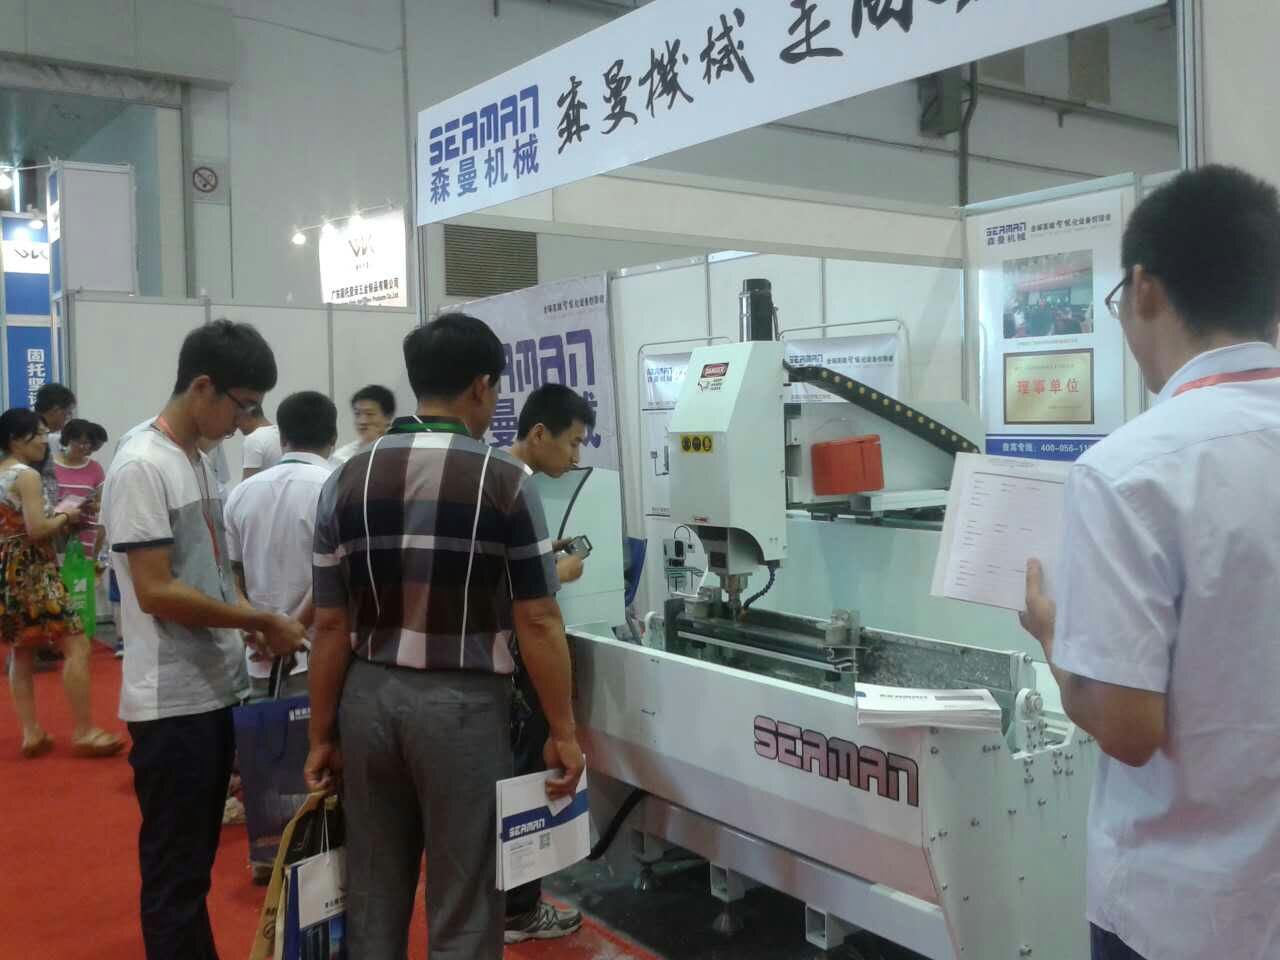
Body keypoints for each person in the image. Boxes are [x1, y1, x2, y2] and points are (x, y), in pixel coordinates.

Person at [1020, 165, 1280, 960]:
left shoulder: (1127, 472)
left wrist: (1053, 637)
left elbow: (1129, 729)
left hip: (1181, 912)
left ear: (1143, 288)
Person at [305, 313, 584, 959]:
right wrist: (564, 731)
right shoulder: (504, 479)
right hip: (462, 708)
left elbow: (330, 622)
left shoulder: (346, 476)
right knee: (464, 902)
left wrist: (321, 734)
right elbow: (538, 619)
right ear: (482, 386)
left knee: (372, 889)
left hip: (367, 699)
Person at [103, 319, 306, 960]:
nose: (244, 423)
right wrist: (256, 622)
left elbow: (212, 576)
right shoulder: (142, 465)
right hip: (172, 703)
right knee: (177, 871)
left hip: (215, 690)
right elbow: (156, 590)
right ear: (201, 387)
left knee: (194, 863)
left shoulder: (197, 458)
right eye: (242, 406)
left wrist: (254, 621)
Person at [503, 382, 596, 943]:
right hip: (513, 666)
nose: (577, 456)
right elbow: (531, 609)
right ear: (539, 434)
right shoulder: (516, 485)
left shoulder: (492, 475)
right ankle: (518, 910)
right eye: (573, 442)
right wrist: (556, 573)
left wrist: (542, 554)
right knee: (525, 778)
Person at [0, 409, 123, 758]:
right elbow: (37, 529)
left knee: (21, 651)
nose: (45, 440)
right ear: (15, 439)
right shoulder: (26, 476)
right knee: (77, 644)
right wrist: (67, 515)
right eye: (38, 434)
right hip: (35, 568)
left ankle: (31, 732)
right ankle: (83, 731)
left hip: (7, 569)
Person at [225, 390, 337, 701]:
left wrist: (259, 626)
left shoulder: (241, 493)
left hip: (257, 654)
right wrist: (288, 630)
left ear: (282, 437)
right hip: (318, 655)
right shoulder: (337, 488)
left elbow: (229, 576)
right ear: (334, 437)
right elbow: (336, 574)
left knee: (262, 731)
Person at [53, 419, 107, 558]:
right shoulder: (51, 465)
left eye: (87, 443)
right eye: (79, 442)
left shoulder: (95, 468)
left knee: (82, 569)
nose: (83, 447)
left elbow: (103, 504)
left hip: (85, 533)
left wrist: (92, 506)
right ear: (68, 439)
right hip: (56, 531)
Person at [34, 383, 76, 517]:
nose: (67, 419)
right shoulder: (32, 436)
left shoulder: (45, 436)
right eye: (67, 413)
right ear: (56, 410)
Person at [330, 384, 395, 464]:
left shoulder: (401, 452)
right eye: (357, 414)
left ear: (387, 417)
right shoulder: (342, 458)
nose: (362, 421)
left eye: (370, 414)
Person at [237, 404, 282, 480]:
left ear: (247, 416)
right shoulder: (282, 433)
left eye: (236, 418)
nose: (236, 425)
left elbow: (248, 482)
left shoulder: (253, 439)